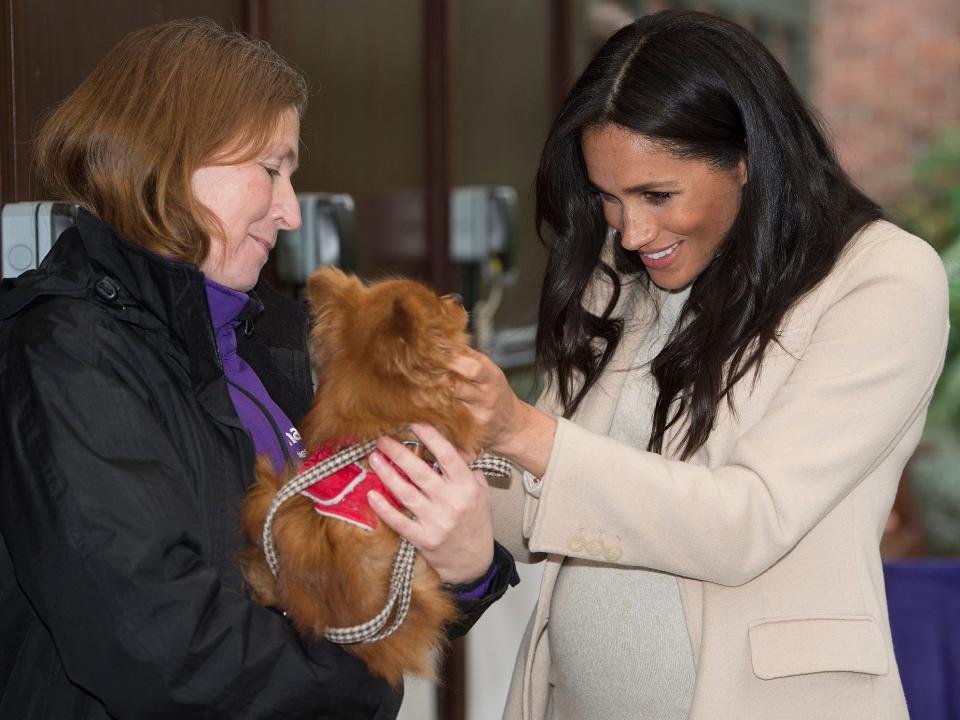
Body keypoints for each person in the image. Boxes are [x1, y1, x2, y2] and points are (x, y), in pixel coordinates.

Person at [0, 18, 513, 719]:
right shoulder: (65, 356)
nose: (290, 212)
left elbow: (351, 582)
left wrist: (469, 568)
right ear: (168, 156)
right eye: (270, 170)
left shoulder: (271, 337)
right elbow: (159, 644)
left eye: (291, 174)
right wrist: (366, 683)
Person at [444, 10, 949, 720]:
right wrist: (448, 462)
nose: (633, 232)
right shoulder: (617, 277)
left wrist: (525, 433)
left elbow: (748, 520)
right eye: (608, 198)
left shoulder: (882, 279)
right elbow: (537, 510)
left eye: (658, 194)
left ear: (745, 157)